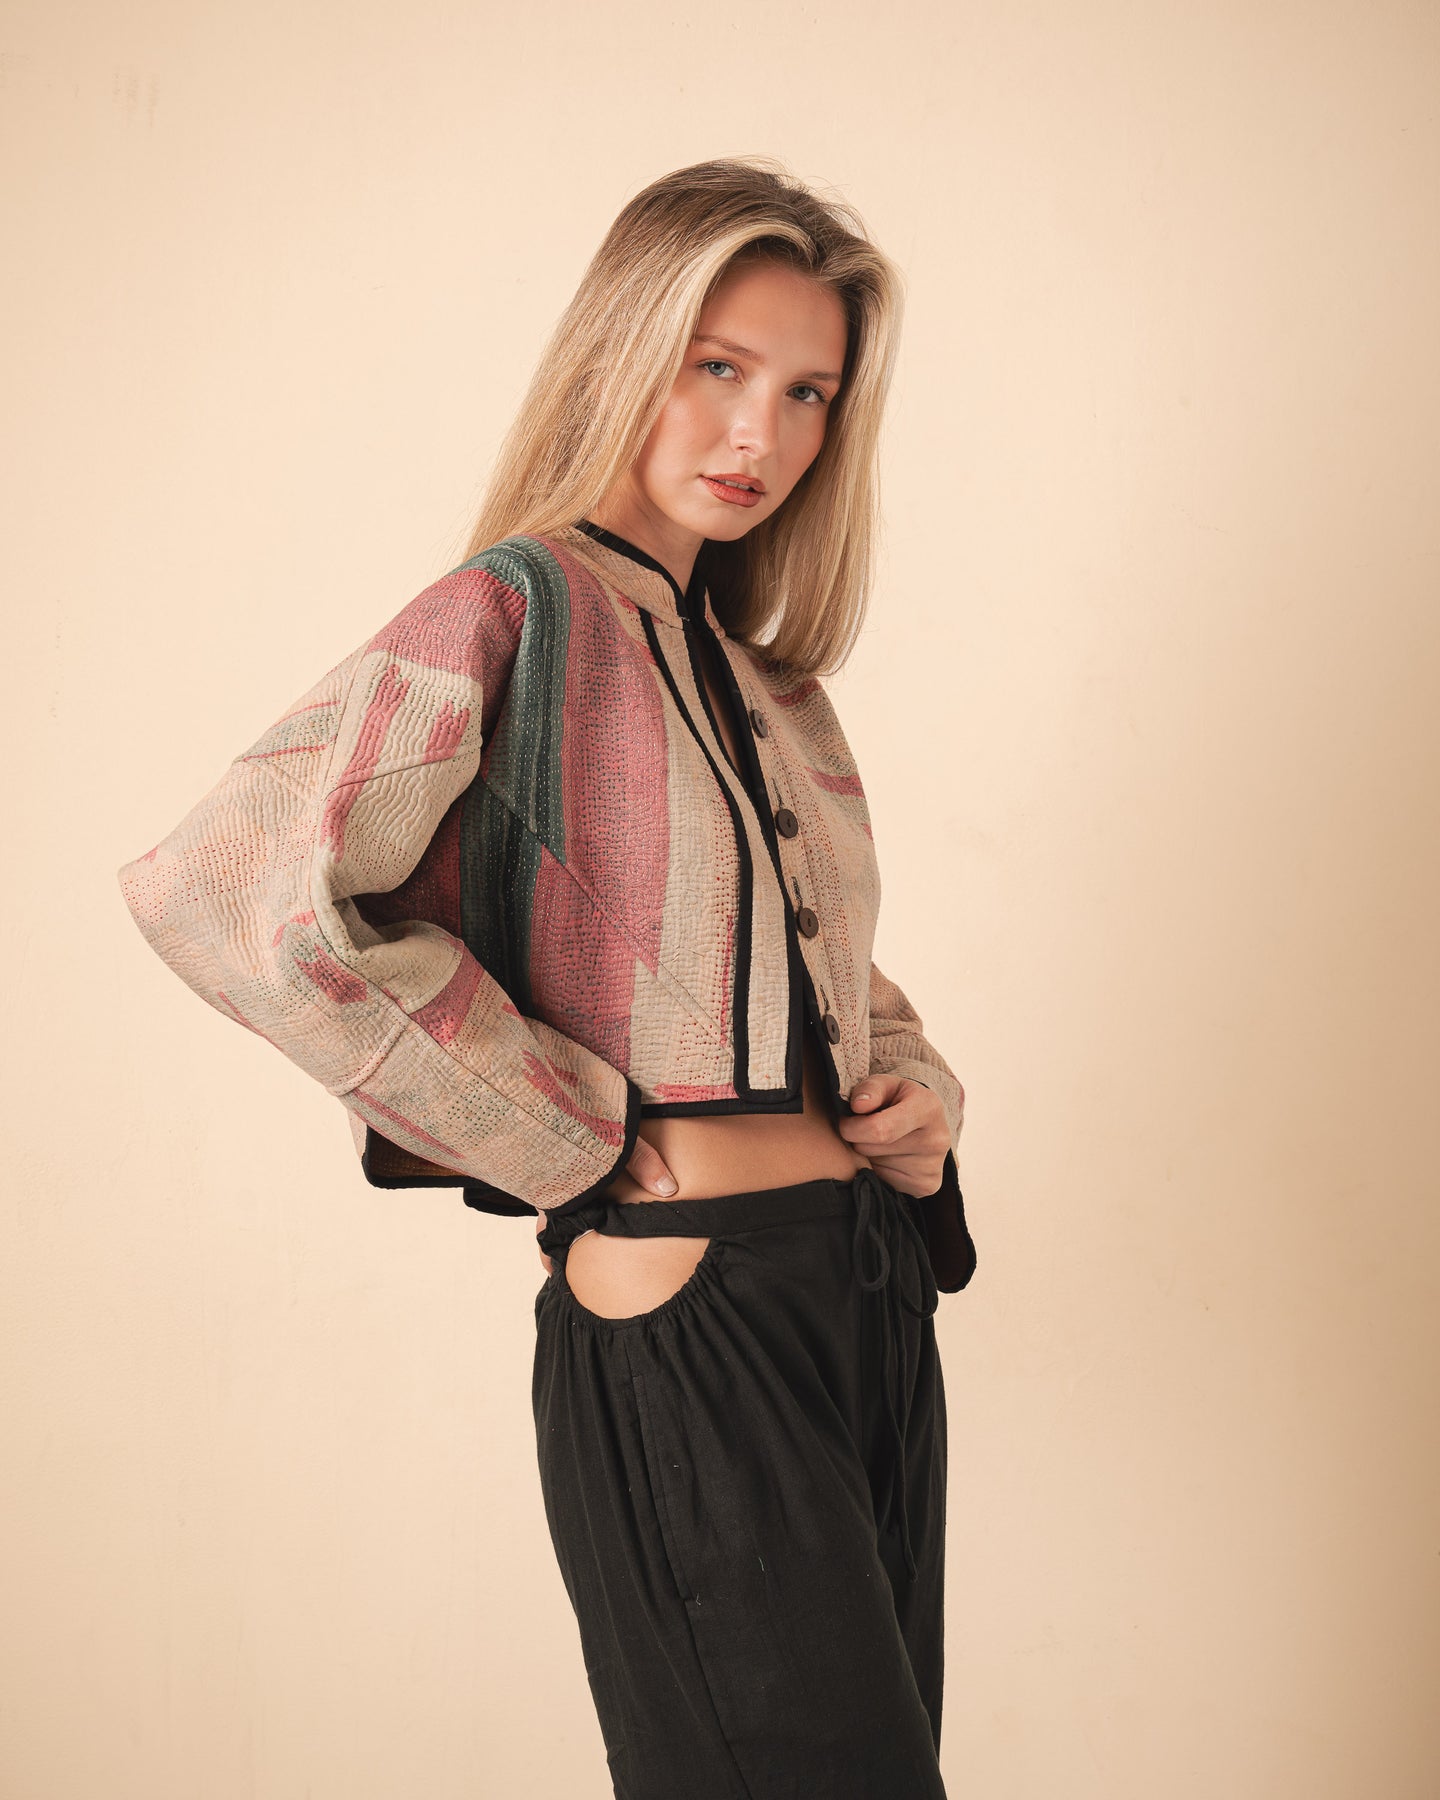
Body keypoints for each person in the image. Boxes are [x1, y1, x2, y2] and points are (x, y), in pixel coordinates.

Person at [117, 155, 976, 1799]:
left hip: (865, 1296)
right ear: (623, 347)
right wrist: (552, 1131)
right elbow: (234, 888)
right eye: (717, 365)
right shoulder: (514, 611)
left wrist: (919, 1106)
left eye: (808, 392)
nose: (759, 432)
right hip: (691, 1302)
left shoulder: (775, 687)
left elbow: (835, 976)